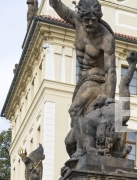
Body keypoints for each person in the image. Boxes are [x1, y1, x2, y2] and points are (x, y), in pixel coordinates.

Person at [49, 0, 116, 158]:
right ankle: (83, 147)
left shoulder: (105, 38)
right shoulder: (76, 21)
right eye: (87, 19)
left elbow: (111, 69)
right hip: (82, 82)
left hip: (97, 80)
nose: (91, 23)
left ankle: (82, 150)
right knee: (77, 119)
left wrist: (108, 95)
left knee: (74, 109)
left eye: (94, 19)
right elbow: (57, 6)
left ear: (98, 17)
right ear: (81, 17)